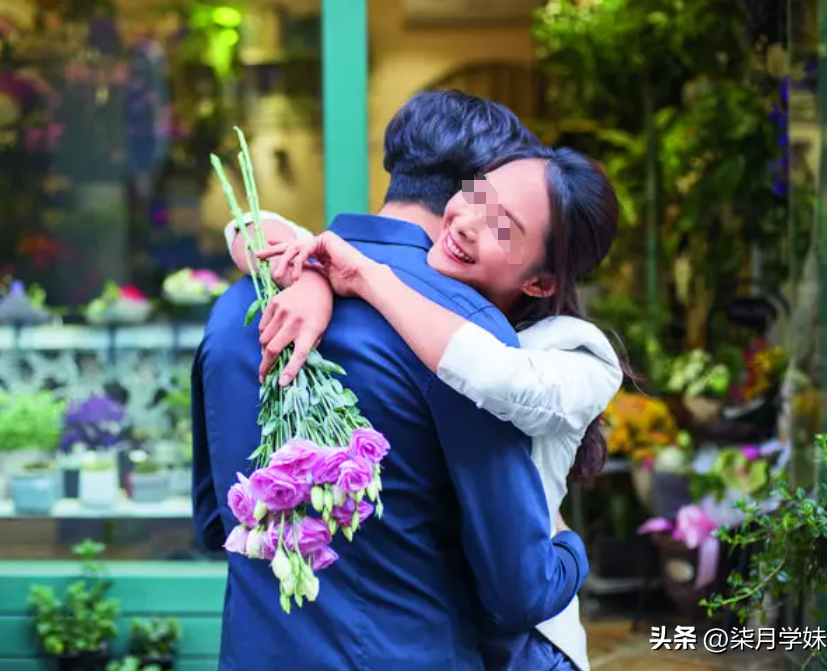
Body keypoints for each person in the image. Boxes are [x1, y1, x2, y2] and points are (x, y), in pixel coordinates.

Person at [192, 89, 589, 671]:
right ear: (474, 191)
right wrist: (569, 544)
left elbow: (214, 521)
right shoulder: (463, 336)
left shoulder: (236, 308)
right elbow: (517, 591)